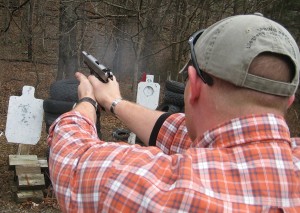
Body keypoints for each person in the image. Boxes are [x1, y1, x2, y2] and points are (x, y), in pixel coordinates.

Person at [48, 13, 300, 212]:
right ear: (288, 100)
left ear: (194, 87)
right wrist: (114, 102)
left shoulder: (167, 190)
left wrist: (88, 102)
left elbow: (72, 158)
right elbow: (188, 134)